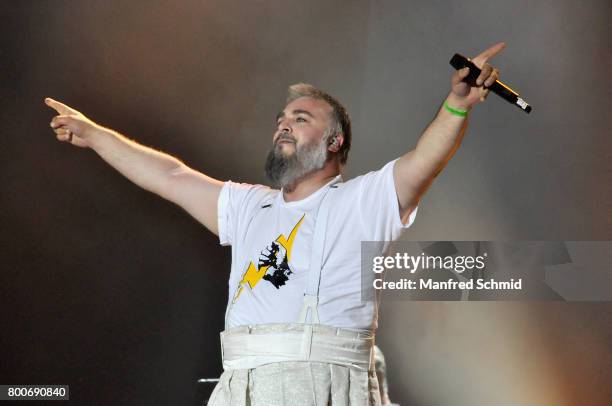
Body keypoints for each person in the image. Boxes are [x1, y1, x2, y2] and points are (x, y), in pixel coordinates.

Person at [45, 42, 506, 405]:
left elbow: (426, 159)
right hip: (242, 385)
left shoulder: (363, 200)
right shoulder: (249, 207)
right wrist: (96, 135)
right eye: (281, 119)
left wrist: (457, 103)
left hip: (322, 384)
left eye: (300, 119)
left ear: (334, 141)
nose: (282, 126)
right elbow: (171, 176)